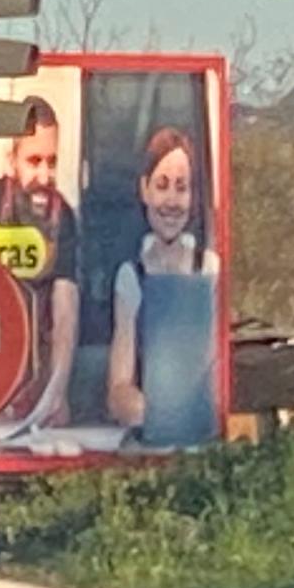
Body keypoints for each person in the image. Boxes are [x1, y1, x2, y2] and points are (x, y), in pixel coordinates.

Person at [100, 126, 221, 447]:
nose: (171, 200)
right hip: (151, 442)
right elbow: (118, 389)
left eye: (181, 188)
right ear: (145, 190)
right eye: (162, 186)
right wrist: (148, 414)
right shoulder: (131, 276)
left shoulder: (210, 268)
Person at [0, 99, 83, 435]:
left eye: (52, 162)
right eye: (34, 161)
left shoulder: (63, 217)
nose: (45, 175)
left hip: (36, 358)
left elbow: (66, 307)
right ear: (11, 162)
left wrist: (57, 392)